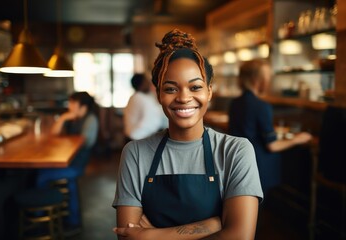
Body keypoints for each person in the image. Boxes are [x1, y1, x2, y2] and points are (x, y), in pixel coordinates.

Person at [113, 29, 263, 239]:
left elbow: (240, 237)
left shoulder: (236, 151)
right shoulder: (135, 153)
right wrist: (213, 225)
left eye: (195, 87)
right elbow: (128, 236)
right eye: (171, 89)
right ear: (158, 95)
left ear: (209, 91)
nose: (184, 98)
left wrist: (151, 235)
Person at [228, 59, 312, 196]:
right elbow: (272, 146)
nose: (269, 80)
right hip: (258, 167)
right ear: (258, 79)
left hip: (238, 164)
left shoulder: (235, 103)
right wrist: (298, 139)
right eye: (267, 77)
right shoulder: (261, 106)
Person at [36, 91, 99, 231]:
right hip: (70, 162)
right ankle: (67, 218)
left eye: (72, 103)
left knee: (43, 175)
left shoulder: (91, 120)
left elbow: (83, 142)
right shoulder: (73, 118)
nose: (69, 106)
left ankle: (39, 215)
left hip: (77, 165)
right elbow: (54, 134)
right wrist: (63, 118)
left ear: (82, 107)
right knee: (45, 172)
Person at [123, 73, 167, 141]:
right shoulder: (140, 98)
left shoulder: (135, 97)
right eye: (147, 81)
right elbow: (152, 121)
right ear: (142, 84)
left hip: (134, 137)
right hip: (138, 138)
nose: (149, 83)